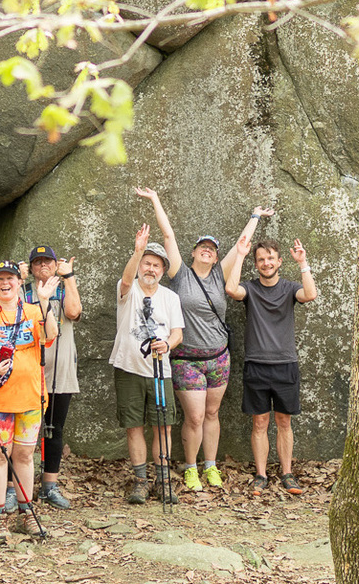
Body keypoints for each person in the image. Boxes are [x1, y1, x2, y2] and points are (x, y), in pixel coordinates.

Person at [134, 187, 260, 492]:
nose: (207, 250)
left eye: (212, 249)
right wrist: (155, 200)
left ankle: (210, 466)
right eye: (202, 247)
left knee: (213, 414)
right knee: (195, 416)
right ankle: (191, 468)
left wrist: (255, 216)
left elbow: (242, 245)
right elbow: (168, 237)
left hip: (219, 357)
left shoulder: (220, 274)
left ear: (216, 255)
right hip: (186, 358)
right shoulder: (180, 275)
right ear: (193, 252)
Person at [0, 259, 57, 537]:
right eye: (0, 279)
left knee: (25, 455)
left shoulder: (32, 310)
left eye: (11, 278)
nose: (6, 283)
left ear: (19, 282)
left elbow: (51, 335)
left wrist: (44, 302)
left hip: (31, 397)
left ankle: (26, 513)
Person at [224, 221, 318, 495]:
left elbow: (310, 294)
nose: (266, 263)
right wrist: (240, 255)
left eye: (270, 259)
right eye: (261, 259)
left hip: (285, 364)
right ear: (257, 264)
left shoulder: (290, 288)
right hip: (256, 365)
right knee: (260, 423)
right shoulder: (250, 289)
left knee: (284, 422)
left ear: (279, 261)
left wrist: (303, 263)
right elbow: (231, 290)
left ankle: (287, 474)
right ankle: (261, 475)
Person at [110, 224, 186, 505]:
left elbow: (178, 332)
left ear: (163, 271)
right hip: (128, 367)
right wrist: (137, 250)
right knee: (133, 426)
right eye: (147, 263)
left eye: (156, 265)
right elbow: (127, 281)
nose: (150, 269)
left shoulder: (171, 298)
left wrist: (168, 344)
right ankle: (140, 480)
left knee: (163, 426)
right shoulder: (127, 291)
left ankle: (163, 480)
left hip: (160, 371)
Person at [23, 244, 82, 509]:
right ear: (32, 268)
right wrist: (19, 278)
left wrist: (69, 278)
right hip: (29, 372)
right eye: (37, 262)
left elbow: (73, 312)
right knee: (23, 432)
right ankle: (16, 488)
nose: (43, 266)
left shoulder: (64, 288)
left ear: (56, 265)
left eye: (48, 261)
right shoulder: (24, 292)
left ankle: (49, 486)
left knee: (54, 430)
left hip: (60, 371)